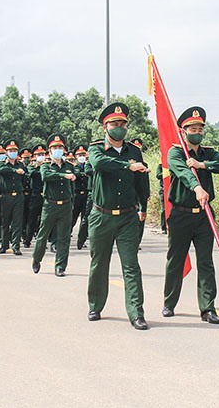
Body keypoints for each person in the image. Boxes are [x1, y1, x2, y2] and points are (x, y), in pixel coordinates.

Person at [162, 107, 219, 325]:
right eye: (193, 128)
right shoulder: (175, 152)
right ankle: (169, 302)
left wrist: (203, 165)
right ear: (183, 131)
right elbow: (182, 172)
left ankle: (208, 308)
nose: (197, 132)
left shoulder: (208, 153)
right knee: (176, 259)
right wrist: (197, 188)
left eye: (200, 128)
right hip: (181, 214)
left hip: (204, 215)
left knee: (205, 261)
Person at [87, 103, 151, 330]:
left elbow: (142, 181)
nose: (120, 128)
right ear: (105, 127)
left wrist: (144, 205)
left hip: (127, 217)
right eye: (115, 124)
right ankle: (95, 306)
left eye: (123, 124)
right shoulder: (96, 149)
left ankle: (136, 313)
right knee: (99, 264)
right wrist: (128, 166)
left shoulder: (134, 151)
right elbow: (99, 164)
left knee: (131, 265)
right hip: (101, 216)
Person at [31, 134, 76, 276]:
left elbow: (72, 188)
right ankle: (37, 259)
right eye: (55, 147)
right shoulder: (45, 166)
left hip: (66, 205)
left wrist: (72, 203)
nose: (58, 149)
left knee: (63, 237)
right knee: (43, 235)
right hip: (50, 205)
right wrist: (63, 176)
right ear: (49, 151)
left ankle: (60, 266)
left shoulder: (69, 166)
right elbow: (46, 177)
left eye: (60, 147)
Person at [0, 139, 27, 255]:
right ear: (6, 152)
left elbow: (24, 175)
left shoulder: (21, 165)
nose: (12, 152)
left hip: (18, 195)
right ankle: (3, 245)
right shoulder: (2, 164)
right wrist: (15, 171)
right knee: (5, 221)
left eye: (14, 150)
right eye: (10, 150)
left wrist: (18, 171)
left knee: (17, 222)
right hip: (6, 196)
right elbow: (2, 170)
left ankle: (16, 246)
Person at [129, 138, 151, 246]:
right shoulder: (128, 163)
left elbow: (144, 182)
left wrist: (147, 193)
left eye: (139, 146)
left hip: (141, 194)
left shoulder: (144, 164)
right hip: (131, 196)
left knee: (141, 220)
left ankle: (137, 243)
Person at [71, 144, 92, 250]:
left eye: (83, 154)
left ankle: (81, 240)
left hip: (87, 194)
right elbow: (78, 175)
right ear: (75, 156)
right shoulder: (74, 167)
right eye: (79, 155)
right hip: (76, 194)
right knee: (73, 217)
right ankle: (66, 236)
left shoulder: (89, 164)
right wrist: (83, 174)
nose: (82, 156)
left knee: (85, 218)